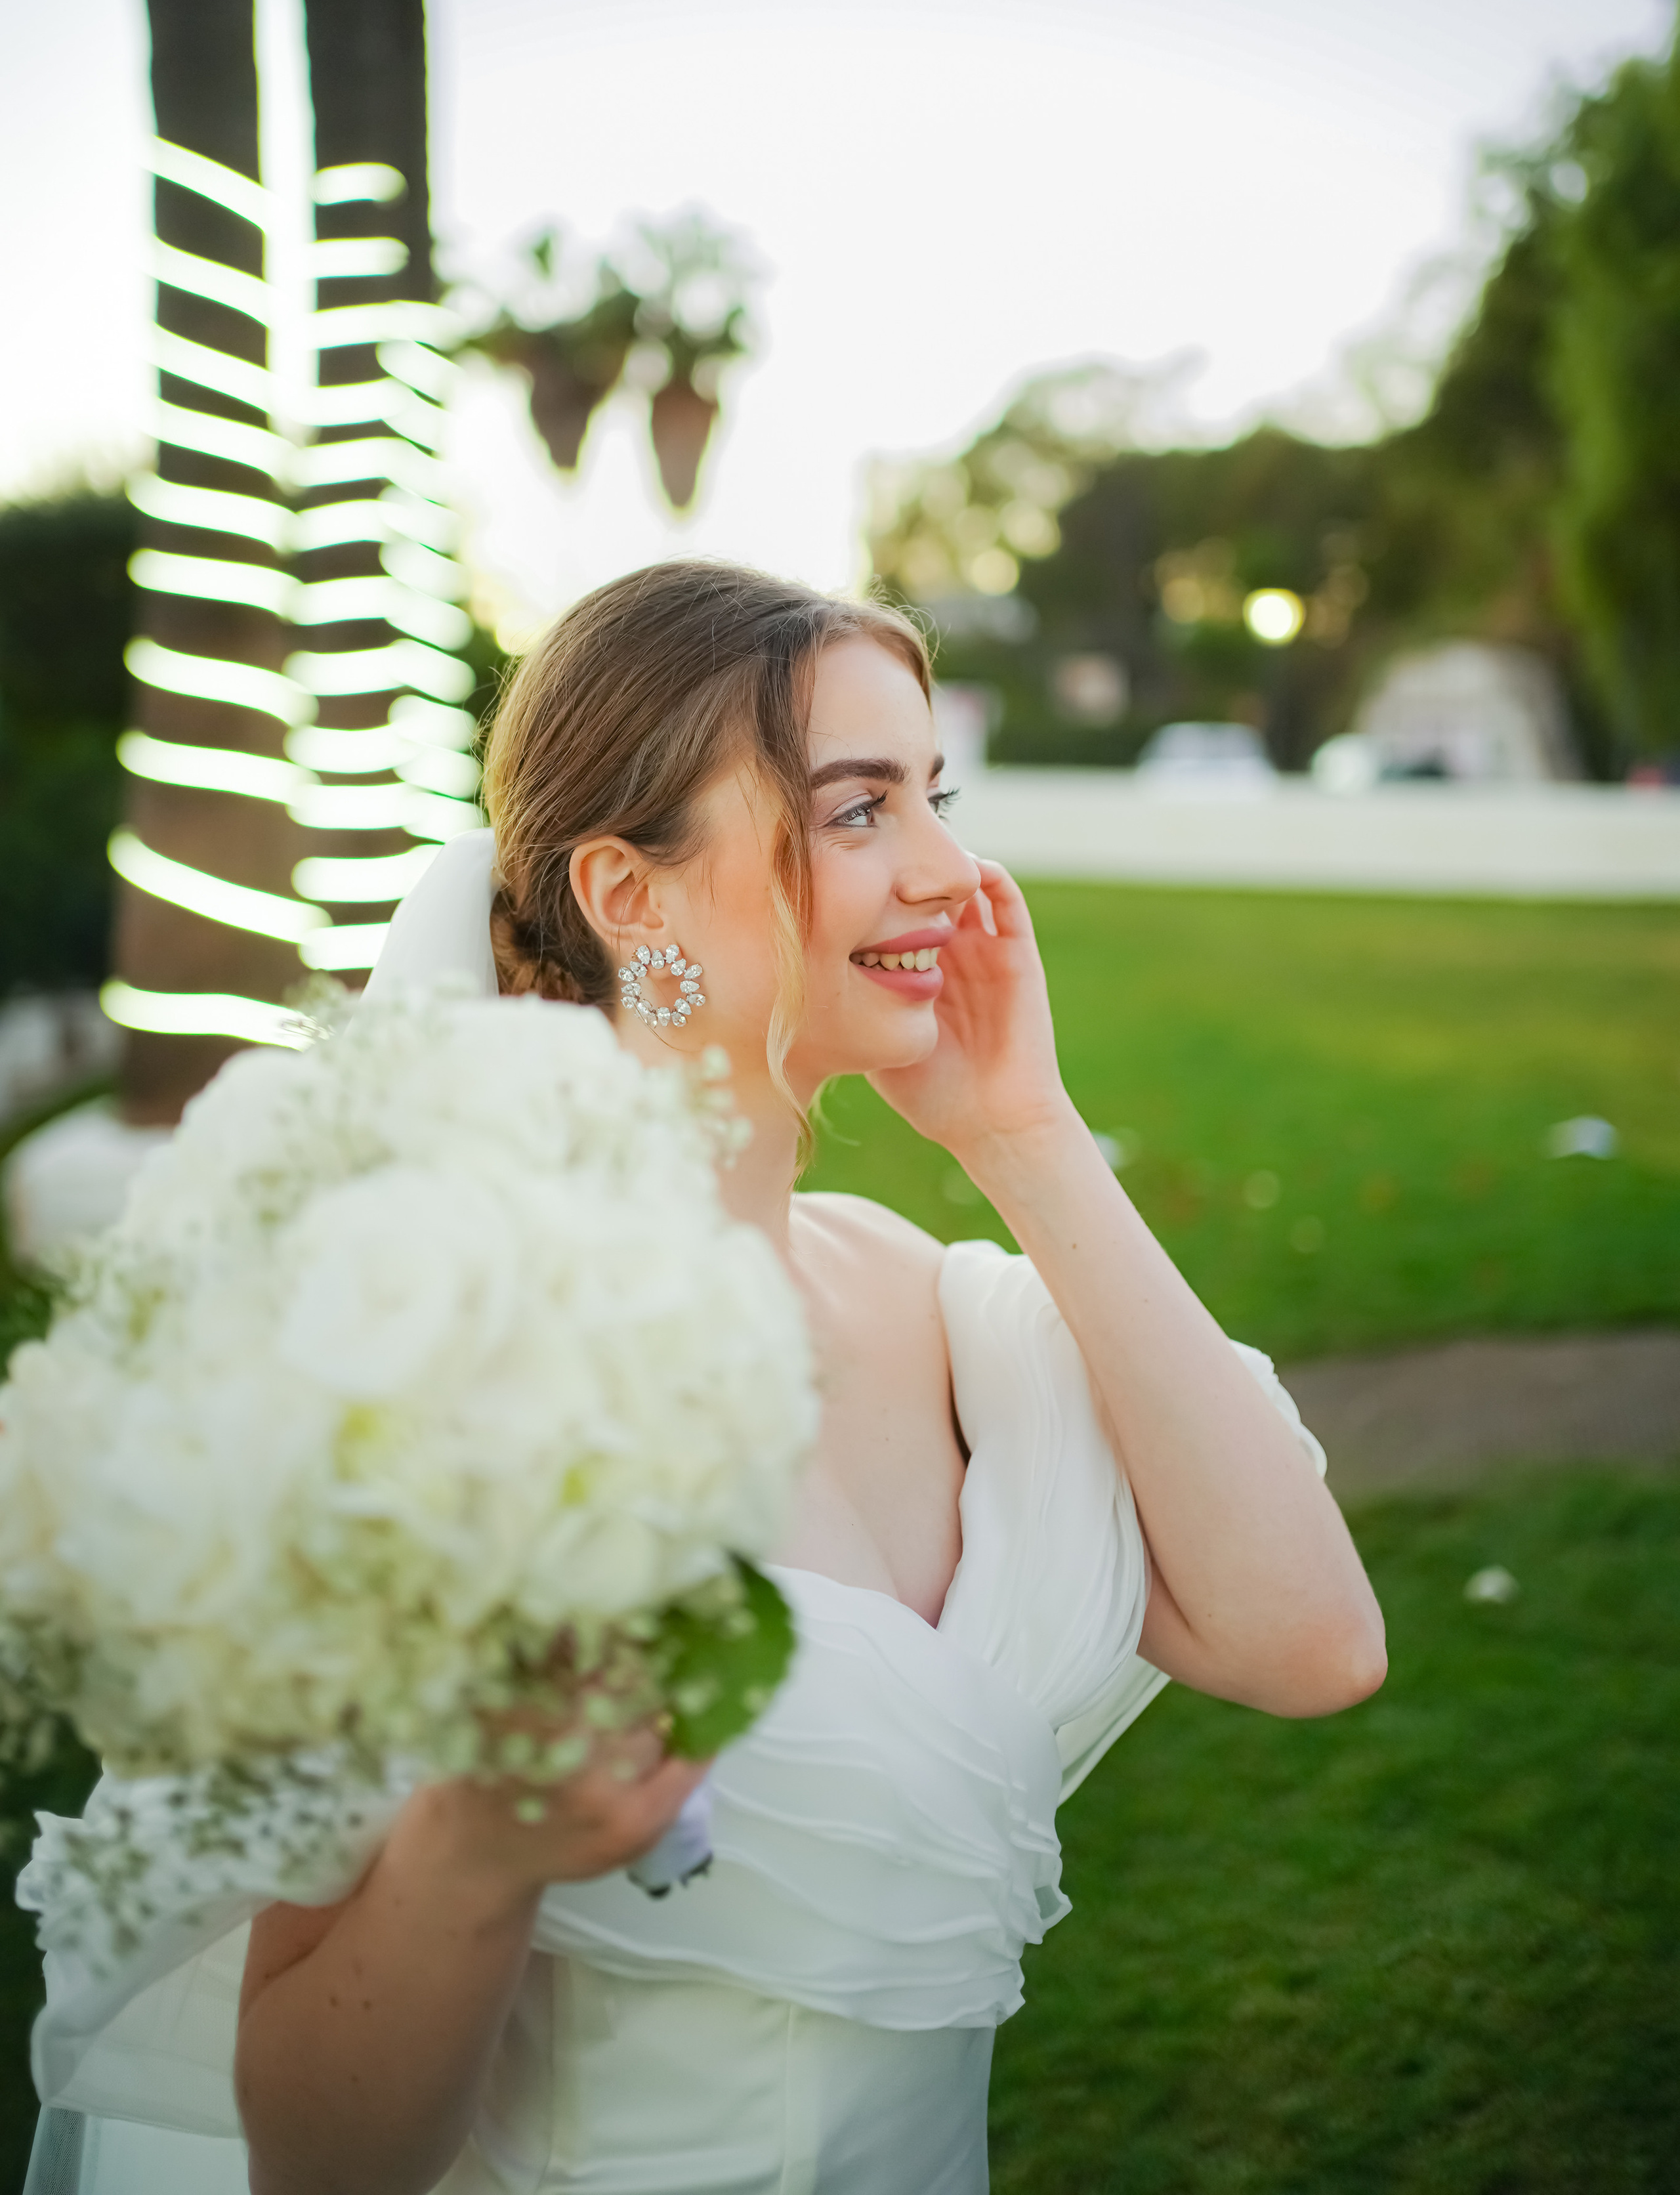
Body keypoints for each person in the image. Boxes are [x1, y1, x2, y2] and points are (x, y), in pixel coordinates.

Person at [22, 562, 1383, 2195]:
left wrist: (1020, 1134)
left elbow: (1307, 1641)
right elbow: (313, 2158)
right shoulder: (440, 1367)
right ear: (629, 894)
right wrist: (472, 1855)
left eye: (934, 797)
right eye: (859, 811)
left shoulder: (917, 1293)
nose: (954, 873)